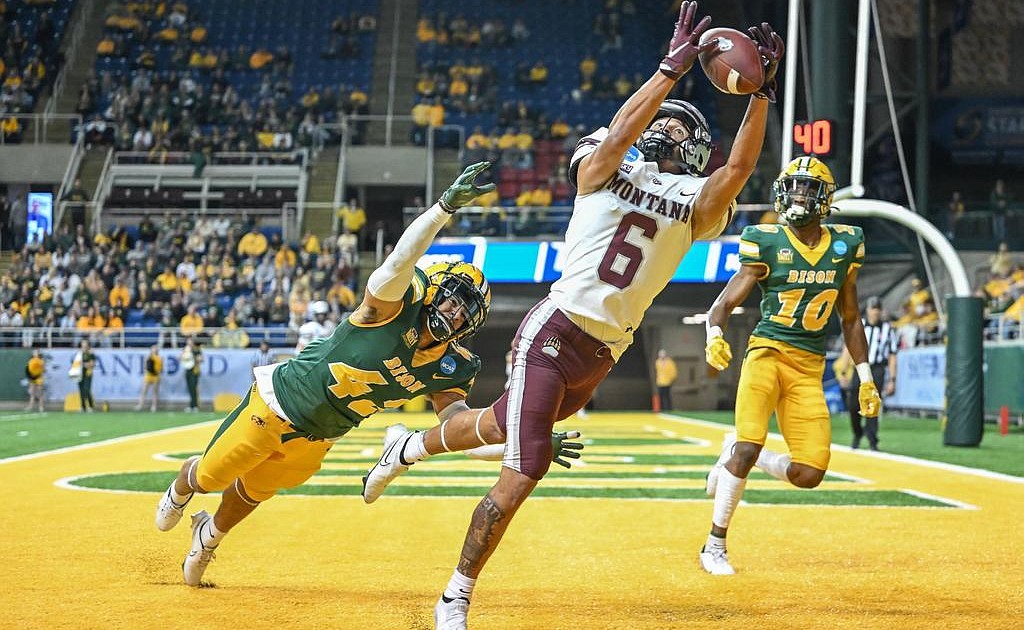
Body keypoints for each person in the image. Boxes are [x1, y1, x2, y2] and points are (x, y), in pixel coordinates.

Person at [360, 4, 781, 626]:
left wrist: (761, 94)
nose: (664, 131)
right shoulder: (610, 164)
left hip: (603, 353)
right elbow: (615, 138)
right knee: (525, 469)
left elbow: (740, 169)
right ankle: (455, 594)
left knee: (503, 425)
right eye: (658, 122)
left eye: (678, 127)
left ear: (696, 148)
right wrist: (670, 69)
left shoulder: (697, 204)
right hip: (555, 331)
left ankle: (407, 447)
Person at [152, 163, 583, 587]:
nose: (454, 313)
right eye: (453, 300)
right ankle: (181, 488)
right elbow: (400, 259)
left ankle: (208, 536)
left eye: (465, 312)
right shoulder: (395, 305)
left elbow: (455, 432)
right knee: (212, 475)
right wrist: (442, 209)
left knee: (254, 492)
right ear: (434, 291)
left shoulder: (453, 366)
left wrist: (522, 438)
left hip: (321, 435)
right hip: (280, 400)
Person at [698, 156, 882, 575]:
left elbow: (850, 317)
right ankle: (714, 545)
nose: (798, 197)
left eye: (807, 190)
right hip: (767, 353)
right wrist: (714, 334)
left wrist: (866, 377)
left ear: (824, 200)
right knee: (747, 444)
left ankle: (746, 455)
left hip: (808, 368)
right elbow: (724, 302)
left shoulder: (845, 245)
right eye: (792, 188)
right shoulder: (765, 240)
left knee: (810, 473)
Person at [840, 296, 897, 450]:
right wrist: (844, 371)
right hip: (860, 367)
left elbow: (892, 355)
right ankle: (858, 433)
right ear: (868, 310)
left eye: (878, 309)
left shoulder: (888, 329)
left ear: (881, 311)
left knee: (873, 405)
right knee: (853, 405)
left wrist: (892, 379)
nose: (875, 312)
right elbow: (848, 349)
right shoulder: (860, 325)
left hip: (877, 369)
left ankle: (872, 440)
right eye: (873, 309)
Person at [70, 339, 96, 413]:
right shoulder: (79, 354)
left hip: (88, 373)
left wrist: (83, 364)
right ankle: (83, 406)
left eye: (85, 344)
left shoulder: (90, 354)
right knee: (81, 390)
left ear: (88, 346)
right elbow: (75, 363)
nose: (84, 346)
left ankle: (91, 406)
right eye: (82, 344)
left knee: (87, 390)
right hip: (79, 373)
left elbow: (92, 364)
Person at [136, 345, 162, 412]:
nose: (155, 349)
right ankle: (140, 405)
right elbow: (146, 366)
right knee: (144, 391)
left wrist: (156, 371)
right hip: (149, 375)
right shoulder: (149, 357)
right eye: (153, 348)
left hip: (155, 376)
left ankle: (154, 406)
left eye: (156, 348)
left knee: (155, 392)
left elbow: (160, 368)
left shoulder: (159, 357)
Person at [180, 338, 202, 412]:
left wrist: (196, 358)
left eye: (190, 342)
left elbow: (201, 359)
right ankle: (191, 405)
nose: (189, 344)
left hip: (194, 370)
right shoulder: (186, 350)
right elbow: (181, 358)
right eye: (188, 342)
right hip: (188, 370)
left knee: (193, 388)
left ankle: (195, 405)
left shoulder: (197, 350)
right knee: (189, 389)